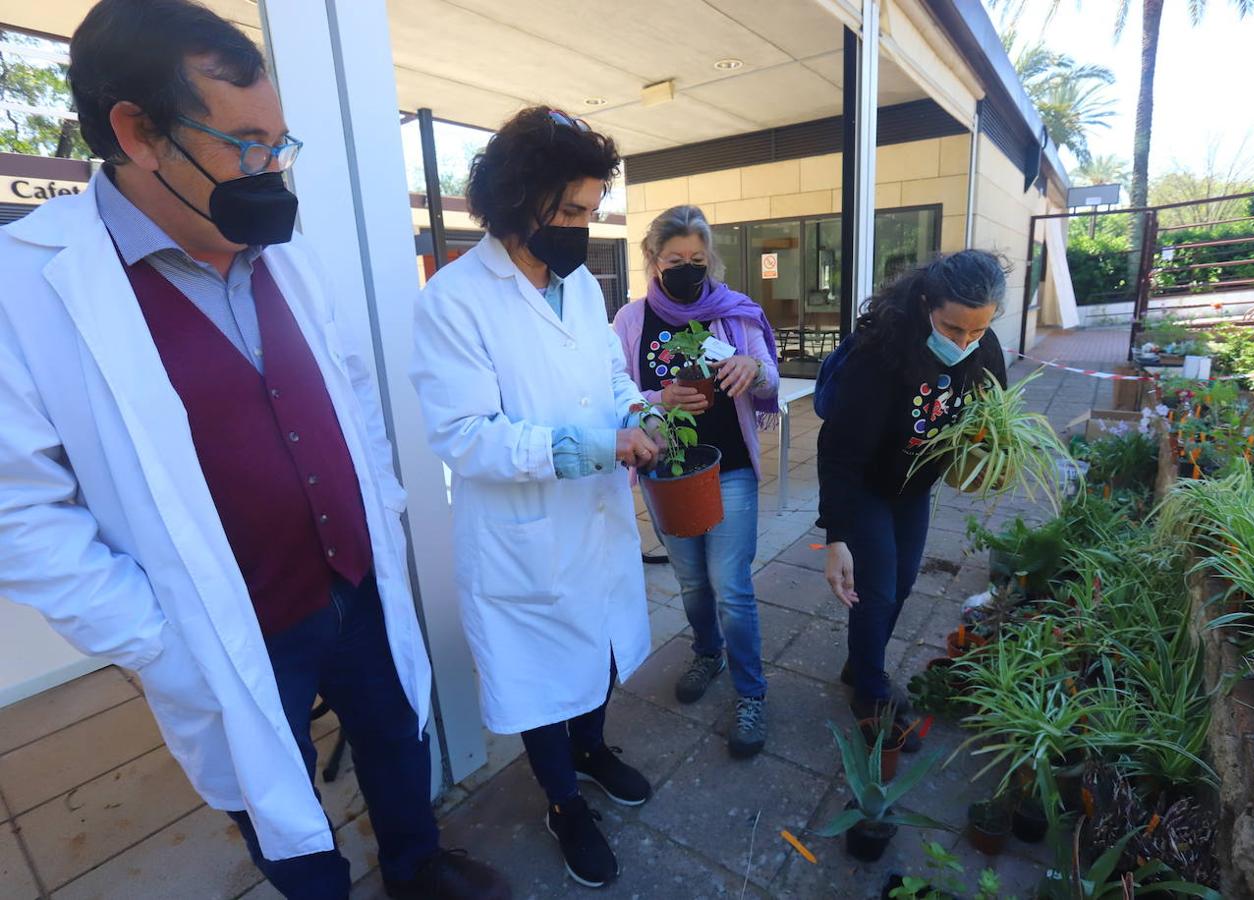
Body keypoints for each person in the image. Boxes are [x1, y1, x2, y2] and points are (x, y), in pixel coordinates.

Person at [0, 3, 509, 898]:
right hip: (223, 627)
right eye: (245, 142)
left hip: (356, 577)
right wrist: (153, 640)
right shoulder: (28, 286)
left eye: (279, 142)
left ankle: (417, 866)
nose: (270, 167)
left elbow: (349, 390)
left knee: (395, 734)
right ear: (139, 133)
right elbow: (19, 511)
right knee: (269, 791)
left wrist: (382, 503)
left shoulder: (281, 252)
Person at [410, 108, 656, 891]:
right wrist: (593, 447)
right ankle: (562, 801)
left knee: (599, 648)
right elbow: (466, 435)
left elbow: (608, 380)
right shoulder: (454, 300)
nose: (585, 227)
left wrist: (643, 411)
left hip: (594, 518)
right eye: (574, 210)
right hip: (523, 534)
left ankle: (593, 752)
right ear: (521, 200)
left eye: (592, 210)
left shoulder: (579, 287)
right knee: (545, 674)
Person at [816, 251, 1009, 738]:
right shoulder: (879, 353)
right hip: (865, 486)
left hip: (914, 487)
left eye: (977, 331)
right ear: (926, 304)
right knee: (876, 590)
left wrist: (997, 456)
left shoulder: (984, 348)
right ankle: (870, 691)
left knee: (901, 585)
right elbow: (839, 450)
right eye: (952, 329)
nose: (965, 343)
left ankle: (861, 664)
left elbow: (995, 419)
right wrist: (836, 537)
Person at [612, 205, 780, 758]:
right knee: (690, 582)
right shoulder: (632, 321)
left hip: (728, 467)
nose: (687, 269)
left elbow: (769, 375)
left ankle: (751, 693)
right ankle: (707, 652)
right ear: (654, 261)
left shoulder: (736, 314)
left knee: (730, 587)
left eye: (697, 260)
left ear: (711, 260)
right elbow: (615, 391)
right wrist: (659, 399)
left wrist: (755, 371)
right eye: (674, 260)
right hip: (667, 471)